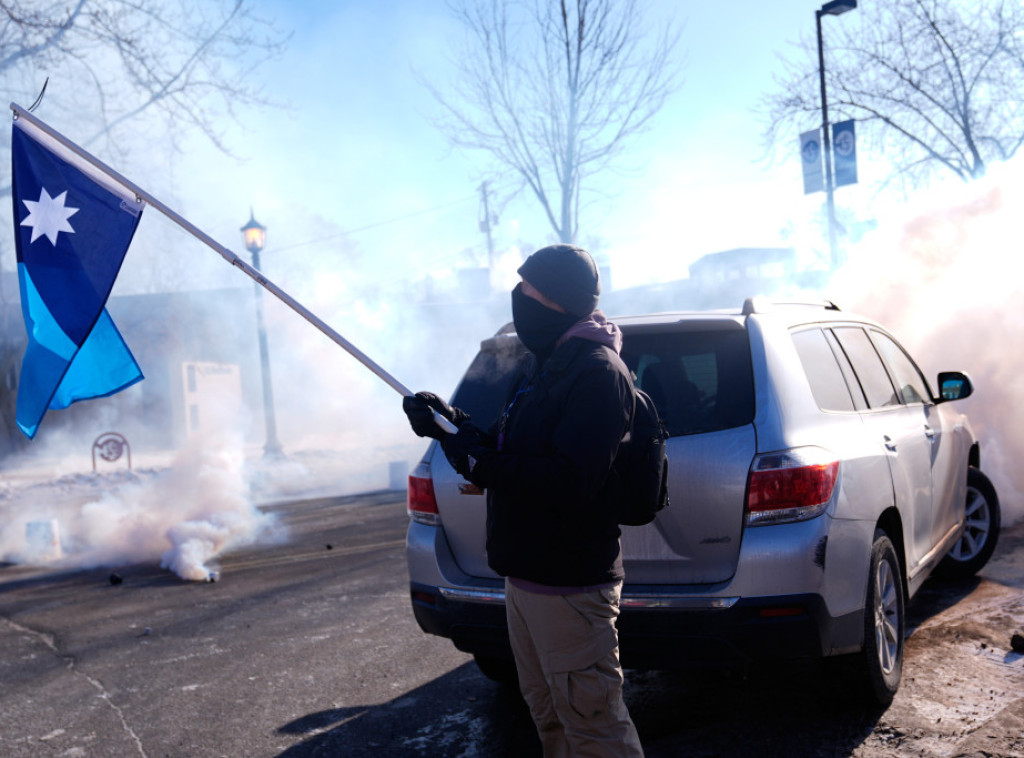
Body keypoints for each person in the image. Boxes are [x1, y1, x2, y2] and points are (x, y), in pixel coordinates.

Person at [403, 244, 644, 757]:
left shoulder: (597, 373)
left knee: (594, 725)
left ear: (558, 299)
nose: (519, 296)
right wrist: (451, 428)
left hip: (571, 585)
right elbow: (514, 448)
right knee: (550, 717)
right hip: (525, 579)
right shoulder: (546, 365)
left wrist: (480, 464)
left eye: (529, 288)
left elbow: (570, 479)